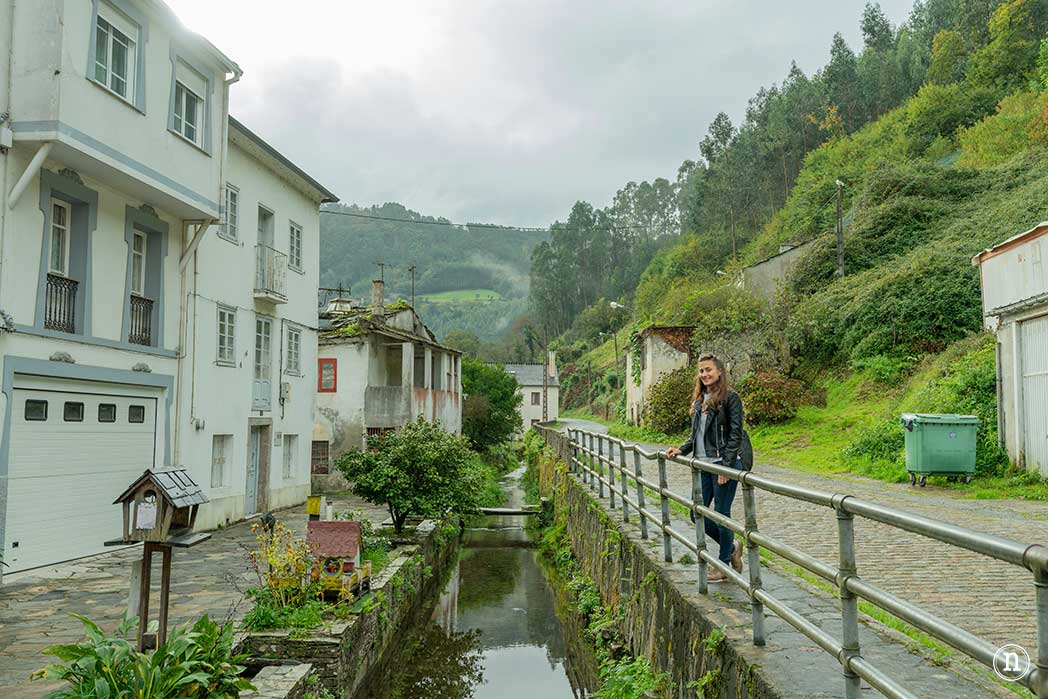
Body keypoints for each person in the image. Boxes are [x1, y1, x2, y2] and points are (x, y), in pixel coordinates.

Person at [666, 353, 745, 582]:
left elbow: (735, 434)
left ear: (719, 372)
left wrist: (727, 468)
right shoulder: (699, 401)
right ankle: (731, 549)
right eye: (701, 371)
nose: (705, 374)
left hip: (723, 464)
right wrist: (681, 449)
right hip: (703, 465)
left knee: (721, 515)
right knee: (696, 512)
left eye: (708, 370)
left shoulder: (730, 398)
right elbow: (696, 436)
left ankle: (723, 567)